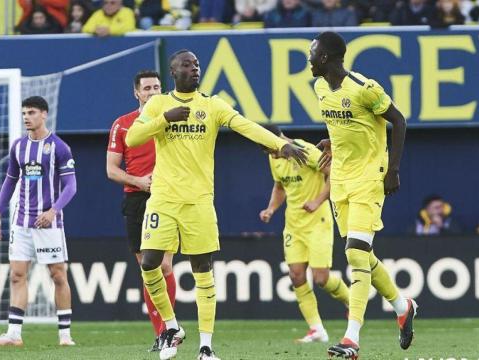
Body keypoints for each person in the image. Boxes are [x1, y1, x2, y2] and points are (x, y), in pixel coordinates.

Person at [125, 49, 308, 360]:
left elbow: (247, 126)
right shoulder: (159, 104)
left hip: (199, 201)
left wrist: (281, 144)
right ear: (174, 72)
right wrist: (163, 119)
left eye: (197, 64)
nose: (194, 69)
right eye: (187, 65)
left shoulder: (212, 105)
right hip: (163, 200)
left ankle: (206, 347)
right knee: (149, 264)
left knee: (202, 270)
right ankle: (171, 326)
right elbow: (133, 138)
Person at [308, 31, 417, 359]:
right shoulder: (320, 88)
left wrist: (393, 168)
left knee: (355, 254)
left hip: (370, 178)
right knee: (362, 254)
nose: (309, 60)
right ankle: (402, 305)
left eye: (312, 54)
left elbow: (398, 121)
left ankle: (351, 339)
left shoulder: (364, 88)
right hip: (340, 181)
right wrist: (332, 142)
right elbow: (343, 127)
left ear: (325, 57)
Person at [0, 96, 77, 347]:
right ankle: (13, 334)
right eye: (24, 113)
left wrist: (53, 210)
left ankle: (65, 335)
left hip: (49, 223)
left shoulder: (59, 147)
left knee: (57, 275)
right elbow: (10, 180)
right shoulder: (18, 146)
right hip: (22, 221)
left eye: (32, 112)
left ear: (44, 115)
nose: (27, 117)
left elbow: (71, 186)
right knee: (16, 274)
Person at [258, 125, 350, 344]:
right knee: (296, 274)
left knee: (321, 278)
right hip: (293, 225)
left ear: (280, 139)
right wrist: (271, 209)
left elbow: (334, 175)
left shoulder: (306, 151)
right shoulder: (274, 157)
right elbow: (280, 186)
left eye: (270, 149)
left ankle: (353, 303)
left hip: (318, 220)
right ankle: (316, 329)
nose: (270, 154)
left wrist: (317, 201)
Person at [106, 70, 177, 352]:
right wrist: (138, 181)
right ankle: (161, 333)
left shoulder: (173, 118)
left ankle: (169, 329)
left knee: (165, 265)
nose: (151, 92)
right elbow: (111, 169)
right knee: (148, 268)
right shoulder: (123, 125)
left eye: (156, 87)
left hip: (168, 197)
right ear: (136, 93)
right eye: (146, 88)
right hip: (137, 198)